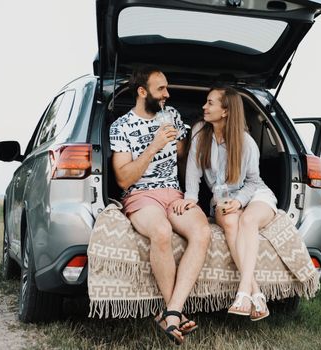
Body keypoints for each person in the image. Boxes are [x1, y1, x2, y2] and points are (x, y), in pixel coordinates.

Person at [109, 65, 211, 345]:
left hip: (174, 193)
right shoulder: (122, 127)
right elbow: (123, 179)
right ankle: (174, 313)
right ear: (142, 92)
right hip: (141, 194)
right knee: (162, 232)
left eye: (167, 87)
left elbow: (183, 161)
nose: (167, 93)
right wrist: (153, 146)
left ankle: (171, 312)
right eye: (161, 89)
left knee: (202, 233)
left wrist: (189, 142)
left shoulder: (173, 115)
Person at [173, 86, 277, 321]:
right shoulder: (200, 131)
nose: (204, 107)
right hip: (222, 197)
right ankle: (257, 293)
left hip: (255, 194)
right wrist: (190, 197)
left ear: (226, 111)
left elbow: (252, 182)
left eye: (210, 103)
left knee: (248, 220)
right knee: (230, 224)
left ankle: (243, 292)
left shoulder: (246, 143)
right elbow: (193, 170)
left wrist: (240, 202)